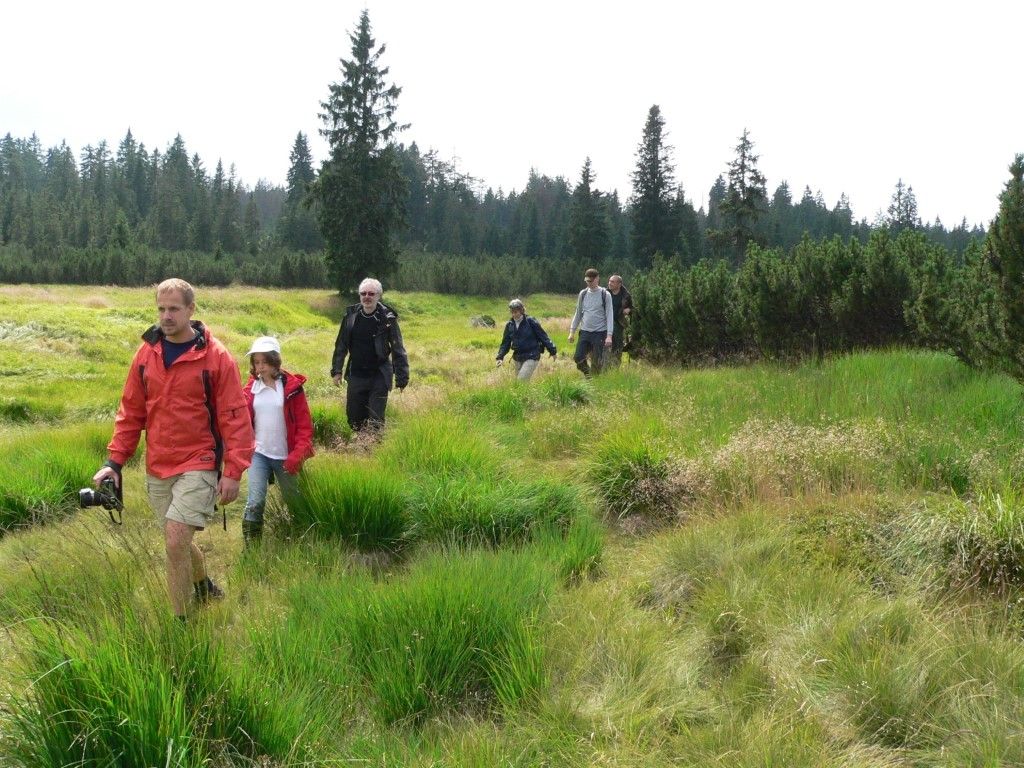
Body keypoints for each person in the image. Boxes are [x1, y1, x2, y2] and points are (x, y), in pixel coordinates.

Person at [93, 278, 254, 621]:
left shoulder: (216, 358)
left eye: (174, 309)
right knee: (175, 539)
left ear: (191, 310)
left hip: (200, 460)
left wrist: (233, 471)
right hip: (158, 464)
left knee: (175, 540)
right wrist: (114, 463)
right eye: (161, 309)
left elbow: (234, 417)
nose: (166, 316)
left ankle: (180, 624)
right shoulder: (146, 354)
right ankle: (203, 585)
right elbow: (130, 412)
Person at [240, 336, 314, 547]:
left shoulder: (293, 389)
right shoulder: (250, 389)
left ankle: (302, 541)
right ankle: (251, 549)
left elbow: (304, 427)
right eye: (256, 362)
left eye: (264, 362)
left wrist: (297, 455)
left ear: (275, 362)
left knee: (295, 502)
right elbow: (240, 422)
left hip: (285, 455)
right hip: (259, 454)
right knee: (255, 502)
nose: (260, 367)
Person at [330, 277, 410, 433]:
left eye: (371, 294)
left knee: (375, 418)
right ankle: (361, 443)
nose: (367, 297)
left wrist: (402, 377)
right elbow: (341, 345)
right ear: (359, 295)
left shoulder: (387, 319)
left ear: (378, 296)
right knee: (354, 417)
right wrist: (337, 370)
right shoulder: (350, 317)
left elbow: (397, 348)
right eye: (363, 293)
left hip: (379, 375)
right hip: (356, 374)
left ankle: (373, 447)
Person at [495, 298, 557, 381]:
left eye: (516, 312)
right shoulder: (509, 325)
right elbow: (505, 343)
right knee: (520, 385)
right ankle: (528, 394)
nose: (514, 315)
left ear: (521, 311)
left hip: (532, 355)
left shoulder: (530, 321)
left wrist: (552, 350)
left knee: (521, 380)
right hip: (517, 357)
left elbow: (543, 336)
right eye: (512, 312)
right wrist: (500, 357)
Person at [568, 267, 613, 377]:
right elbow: (578, 313)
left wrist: (609, 336)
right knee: (578, 358)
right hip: (585, 332)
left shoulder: (605, 295)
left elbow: (609, 315)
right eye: (587, 281)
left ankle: (594, 384)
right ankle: (589, 376)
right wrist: (572, 332)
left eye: (591, 281)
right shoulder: (583, 294)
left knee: (596, 362)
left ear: (597, 279)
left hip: (600, 333)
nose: (589, 283)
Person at [607, 274, 633, 368]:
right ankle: (604, 366)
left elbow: (633, 307)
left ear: (619, 284)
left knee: (617, 346)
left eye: (613, 282)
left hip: (618, 323)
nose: (610, 283)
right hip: (605, 323)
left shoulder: (626, 296)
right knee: (605, 346)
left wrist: (629, 309)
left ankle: (615, 367)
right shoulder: (605, 293)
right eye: (610, 281)